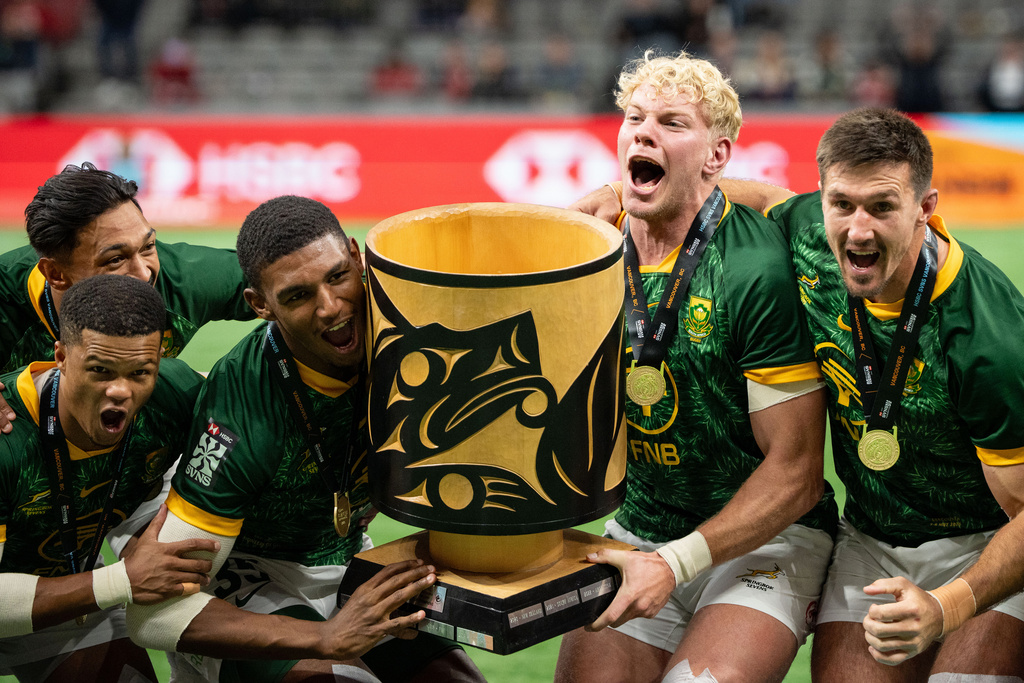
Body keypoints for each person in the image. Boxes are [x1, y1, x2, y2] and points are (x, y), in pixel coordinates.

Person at [572, 108, 1024, 680]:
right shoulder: (813, 232)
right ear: (823, 198)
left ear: (925, 209)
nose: (858, 229)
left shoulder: (987, 337)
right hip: (873, 541)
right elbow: (741, 196)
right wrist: (617, 192)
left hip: (988, 544)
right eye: (843, 205)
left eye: (883, 207)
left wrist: (947, 604)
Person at [554, 51, 836, 683]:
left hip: (768, 539)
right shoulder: (589, 250)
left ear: (717, 155)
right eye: (635, 117)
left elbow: (795, 474)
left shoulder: (754, 268)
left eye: (674, 123)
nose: (645, 131)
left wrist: (676, 563)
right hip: (641, 529)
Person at [125, 195, 485, 683]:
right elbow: (156, 616)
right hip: (243, 577)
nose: (331, 308)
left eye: (338, 276)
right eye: (297, 296)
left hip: (344, 560)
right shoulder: (243, 410)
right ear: (260, 305)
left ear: (359, 259)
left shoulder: (411, 337)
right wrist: (325, 638)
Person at [0, 274, 218, 682]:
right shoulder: (7, 434)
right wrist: (120, 581)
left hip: (63, 597)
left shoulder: (174, 395)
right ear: (61, 356)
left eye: (140, 372)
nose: (121, 390)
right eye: (100, 370)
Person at [0, 161, 254, 431]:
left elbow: (295, 278)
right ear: (56, 274)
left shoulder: (186, 277)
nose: (144, 274)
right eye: (115, 259)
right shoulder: (7, 297)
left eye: (148, 246)